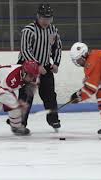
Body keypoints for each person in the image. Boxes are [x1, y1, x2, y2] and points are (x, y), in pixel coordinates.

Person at [17, 4, 62, 133]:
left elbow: (57, 48)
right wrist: (36, 66)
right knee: (26, 96)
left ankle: (53, 119)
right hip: (27, 69)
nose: (46, 21)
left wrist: (56, 63)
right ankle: (20, 123)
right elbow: (25, 50)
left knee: (50, 95)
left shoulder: (53, 30)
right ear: (38, 16)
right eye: (44, 18)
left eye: (49, 18)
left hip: (45, 67)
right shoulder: (28, 30)